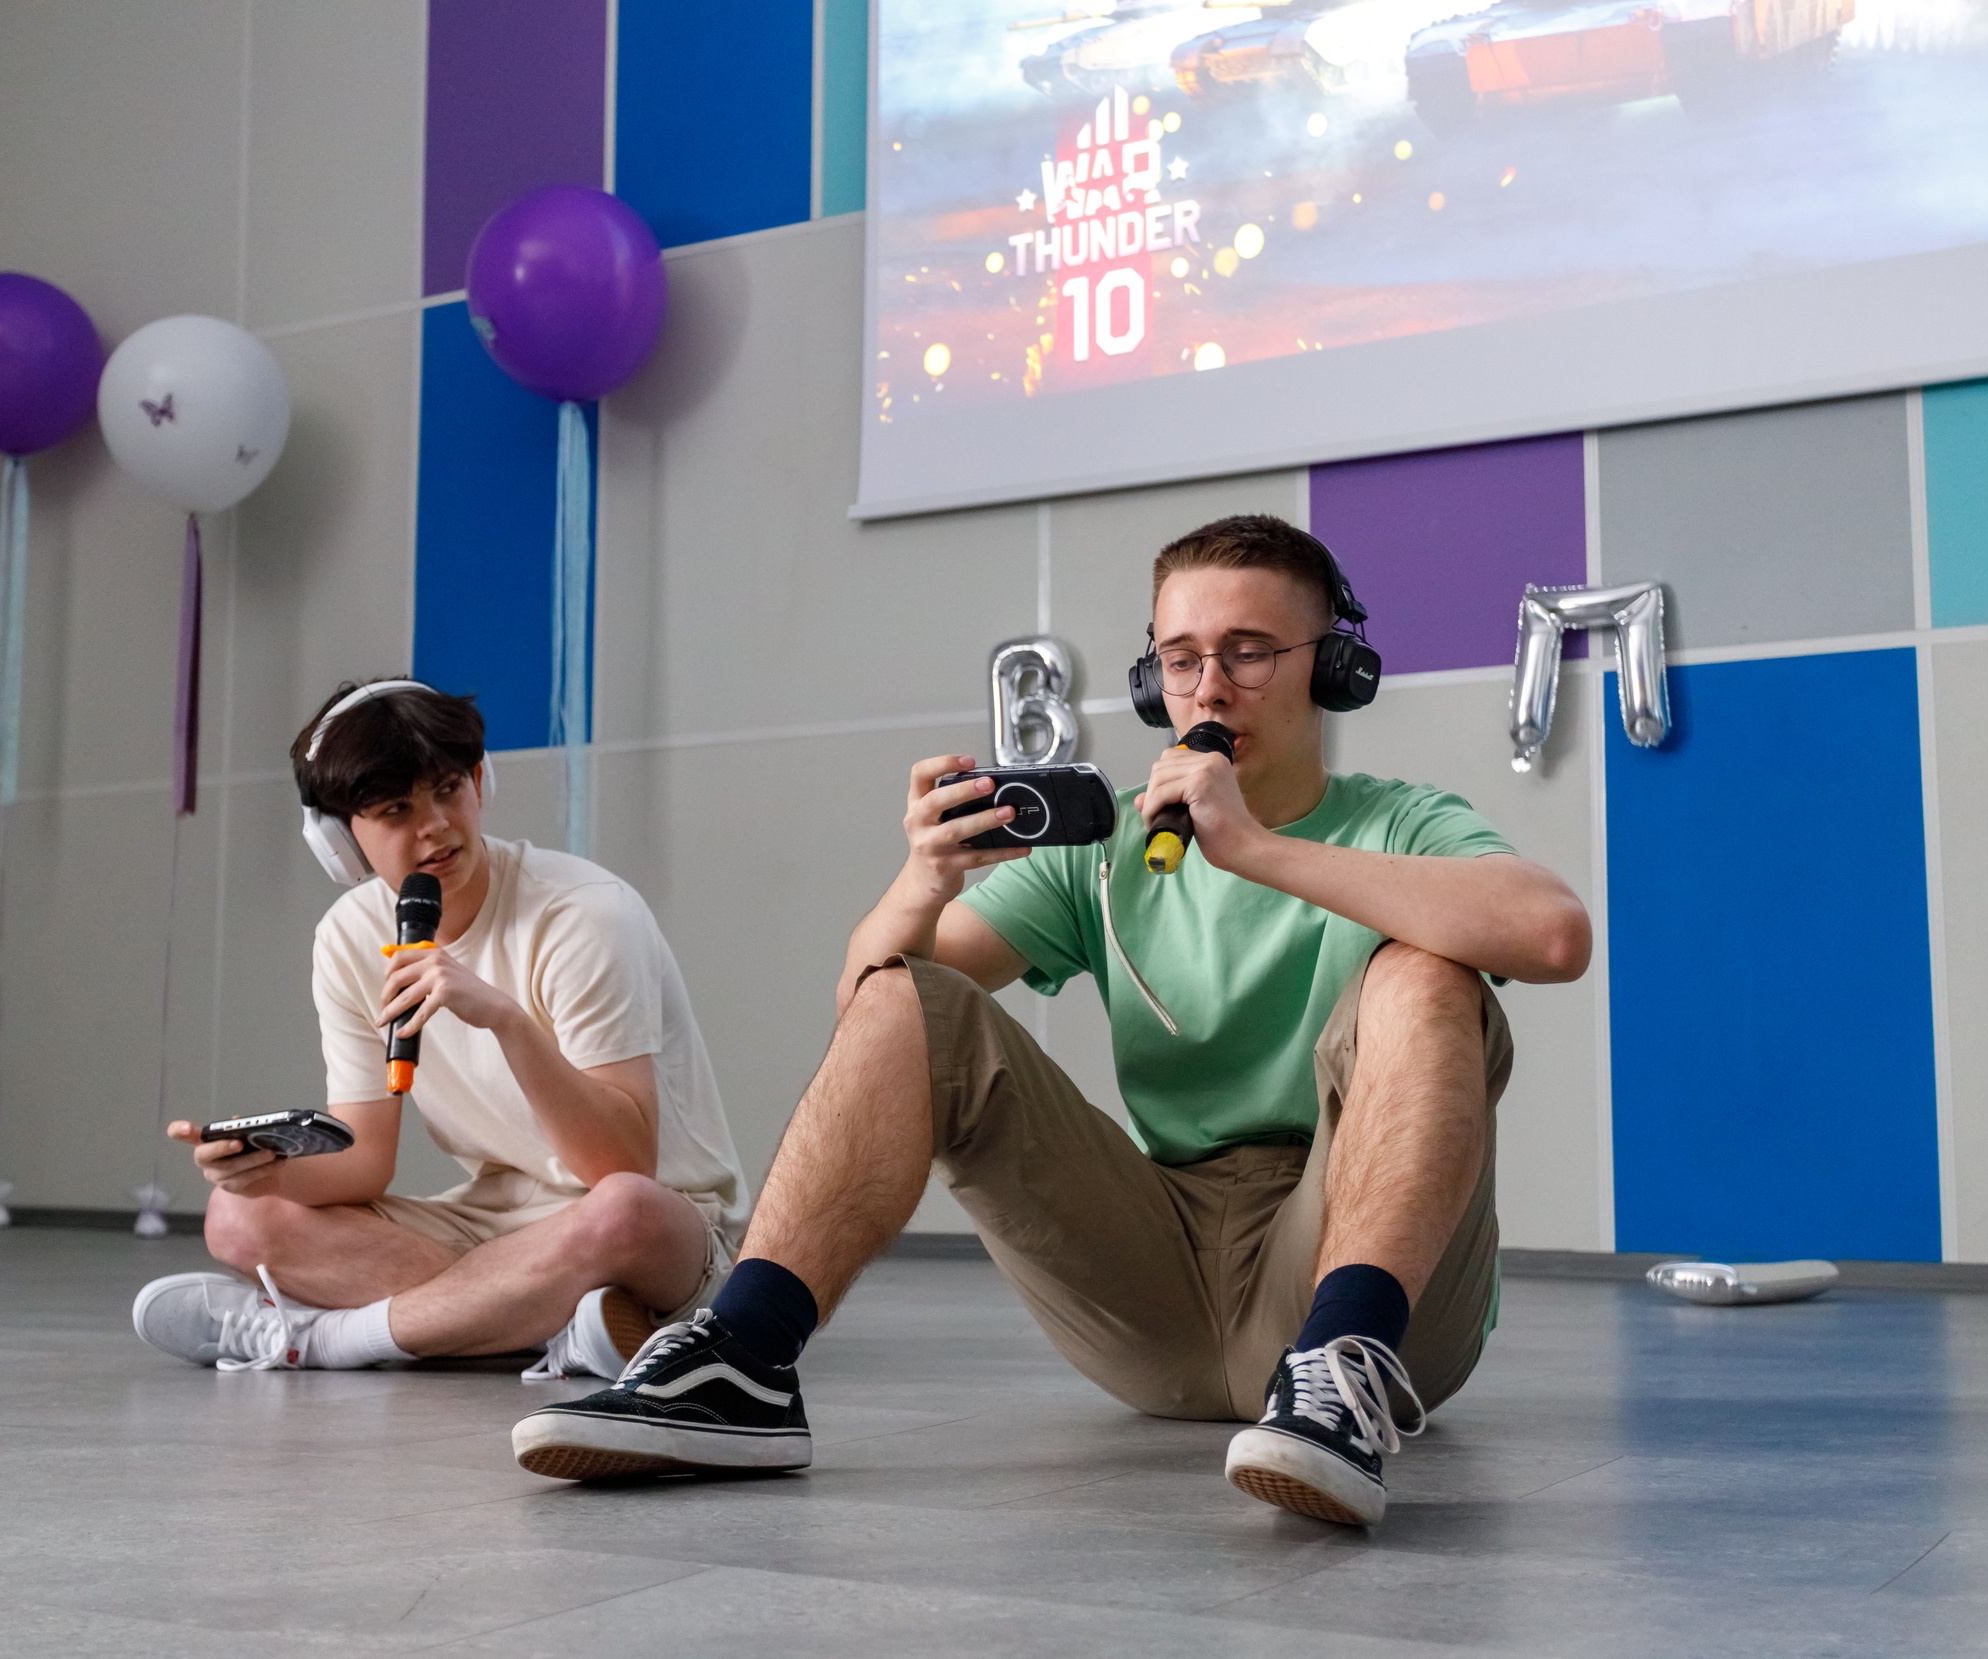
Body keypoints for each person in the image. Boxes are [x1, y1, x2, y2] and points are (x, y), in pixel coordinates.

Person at [512, 516, 1593, 1524]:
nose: (1210, 687)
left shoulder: (1400, 823)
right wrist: (921, 879)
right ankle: (742, 1360)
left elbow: (1552, 935)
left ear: (1335, 668)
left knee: (1427, 973)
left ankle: (1339, 1367)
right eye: (1181, 658)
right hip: (1157, 1287)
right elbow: (877, 1021)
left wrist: (1257, 851)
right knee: (906, 989)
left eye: (1251, 651)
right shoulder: (1112, 848)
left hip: (1365, 1293)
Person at [131, 680, 750, 1382]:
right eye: (396, 809)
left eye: (449, 790)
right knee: (238, 1217)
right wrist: (268, 1168)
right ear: (339, 840)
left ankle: (324, 1338)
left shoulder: (584, 914)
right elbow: (366, 1162)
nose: (436, 827)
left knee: (622, 1213)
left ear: (480, 782)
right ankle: (548, 1322)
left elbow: (622, 1163)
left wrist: (506, 1021)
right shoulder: (349, 936)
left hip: (664, 1226)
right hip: (493, 1221)